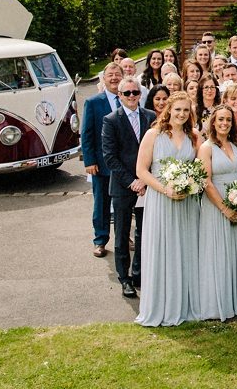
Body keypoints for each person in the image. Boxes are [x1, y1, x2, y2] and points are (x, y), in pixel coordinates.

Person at [134, 90, 199, 326]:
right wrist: (165, 189)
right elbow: (141, 170)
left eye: (186, 110)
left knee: (184, 249)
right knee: (162, 248)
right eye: (178, 109)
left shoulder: (194, 137)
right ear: (168, 110)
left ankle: (183, 302)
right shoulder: (153, 135)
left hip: (186, 202)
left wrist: (190, 184)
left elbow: (200, 168)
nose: (181, 114)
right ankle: (161, 305)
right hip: (161, 200)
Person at [196, 105, 237, 320]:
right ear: (213, 122)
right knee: (218, 251)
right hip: (216, 206)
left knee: (236, 250)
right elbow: (206, 181)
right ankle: (217, 303)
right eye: (220, 119)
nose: (224, 123)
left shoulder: (236, 144)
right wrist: (224, 208)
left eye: (228, 120)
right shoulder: (207, 148)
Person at [101, 76, 153, 298]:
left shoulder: (151, 117)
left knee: (143, 232)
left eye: (135, 92)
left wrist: (144, 180)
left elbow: (154, 151)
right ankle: (125, 278)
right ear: (119, 96)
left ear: (140, 94)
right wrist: (132, 181)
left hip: (146, 185)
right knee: (122, 234)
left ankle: (139, 273)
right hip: (123, 187)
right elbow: (110, 157)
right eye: (127, 93)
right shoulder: (111, 120)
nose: (132, 96)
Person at [82, 63, 121, 258]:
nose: (114, 78)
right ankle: (100, 240)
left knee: (123, 205)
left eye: (117, 74)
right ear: (104, 79)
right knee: (102, 204)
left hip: (124, 165)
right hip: (101, 164)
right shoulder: (93, 102)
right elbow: (87, 134)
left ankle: (123, 237)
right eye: (110, 75)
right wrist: (89, 161)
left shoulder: (130, 99)